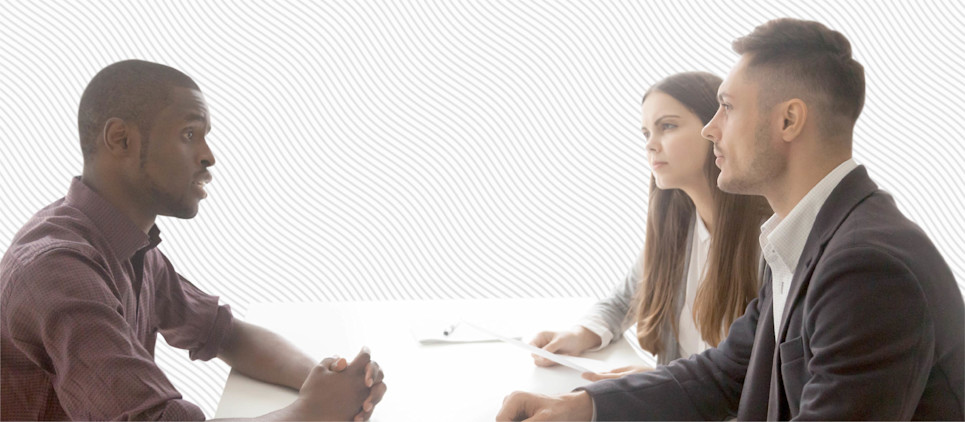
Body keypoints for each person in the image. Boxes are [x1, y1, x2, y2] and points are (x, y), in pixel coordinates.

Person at [497, 18, 964, 420]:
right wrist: (582, 407)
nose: (710, 127)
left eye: (728, 106)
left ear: (788, 121)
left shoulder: (866, 267)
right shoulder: (804, 241)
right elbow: (725, 372)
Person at [0, 60, 387, 421]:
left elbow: (225, 333)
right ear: (120, 140)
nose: (208, 156)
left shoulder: (128, 246)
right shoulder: (57, 270)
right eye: (190, 134)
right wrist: (310, 411)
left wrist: (328, 377)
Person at [529, 72, 770, 381]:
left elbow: (764, 379)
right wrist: (580, 334)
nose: (651, 145)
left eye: (667, 126)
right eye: (646, 133)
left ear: (716, 129)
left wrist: (658, 383)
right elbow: (621, 302)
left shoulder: (770, 242)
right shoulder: (679, 227)